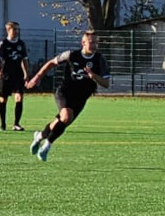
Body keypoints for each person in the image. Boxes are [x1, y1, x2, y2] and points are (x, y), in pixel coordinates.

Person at [24, 30, 110, 161]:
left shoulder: (100, 59)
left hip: (82, 97)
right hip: (65, 91)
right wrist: (36, 77)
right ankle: (46, 147)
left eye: (96, 43)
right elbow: (51, 63)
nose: (93, 45)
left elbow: (106, 83)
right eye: (91, 42)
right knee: (66, 116)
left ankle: (40, 136)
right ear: (83, 43)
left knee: (62, 121)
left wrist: (94, 76)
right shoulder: (71, 55)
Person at [0, 21, 29, 131]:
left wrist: (26, 73)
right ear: (8, 30)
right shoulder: (3, 44)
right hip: (6, 75)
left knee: (19, 98)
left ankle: (16, 124)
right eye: (14, 29)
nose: (17, 31)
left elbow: (24, 60)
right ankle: (3, 124)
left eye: (18, 29)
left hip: (18, 74)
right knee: (3, 99)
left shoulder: (21, 44)